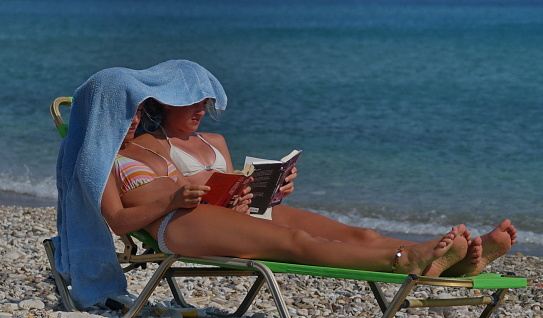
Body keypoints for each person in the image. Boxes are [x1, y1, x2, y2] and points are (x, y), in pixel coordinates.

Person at [134, 67, 517, 279]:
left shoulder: (215, 139)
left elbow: (236, 185)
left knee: (361, 233)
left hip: (246, 213)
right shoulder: (153, 145)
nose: (201, 109)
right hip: (206, 222)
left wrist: (274, 187)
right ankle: (408, 258)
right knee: (299, 238)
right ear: (163, 104)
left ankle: (451, 261)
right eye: (191, 103)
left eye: (206, 102)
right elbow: (166, 195)